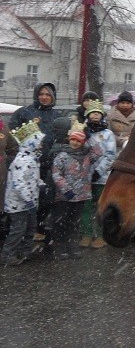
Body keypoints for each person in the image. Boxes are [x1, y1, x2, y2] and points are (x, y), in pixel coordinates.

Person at [9, 83, 59, 241]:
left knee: (45, 197)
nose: (44, 97)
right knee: (27, 197)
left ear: (53, 97)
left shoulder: (57, 115)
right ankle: (23, 232)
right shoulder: (25, 112)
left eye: (48, 95)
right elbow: (12, 133)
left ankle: (40, 227)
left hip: (49, 163)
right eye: (42, 94)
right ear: (37, 95)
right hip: (27, 165)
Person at [50, 130, 103, 261]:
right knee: (61, 222)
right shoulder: (62, 156)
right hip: (65, 197)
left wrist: (90, 139)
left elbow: (99, 152)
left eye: (78, 141)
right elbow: (56, 174)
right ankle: (59, 247)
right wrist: (66, 189)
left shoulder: (86, 156)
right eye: (73, 139)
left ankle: (71, 245)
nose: (75, 143)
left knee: (74, 222)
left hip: (81, 195)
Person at [1, 121, 45, 266]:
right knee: (18, 230)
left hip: (29, 203)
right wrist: (28, 200)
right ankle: (7, 255)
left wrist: (41, 184)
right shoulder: (22, 160)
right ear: (31, 143)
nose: (40, 145)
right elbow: (19, 184)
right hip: (18, 205)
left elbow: (33, 178)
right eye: (38, 142)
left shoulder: (32, 158)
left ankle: (24, 251)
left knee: (30, 228)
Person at [78, 100, 116, 249]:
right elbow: (79, 151)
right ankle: (87, 233)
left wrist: (98, 171)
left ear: (102, 116)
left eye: (98, 113)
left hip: (102, 178)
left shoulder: (108, 134)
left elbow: (110, 155)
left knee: (100, 207)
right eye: (92, 113)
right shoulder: (83, 132)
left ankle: (100, 235)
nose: (95, 115)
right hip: (84, 177)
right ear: (87, 115)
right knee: (86, 207)